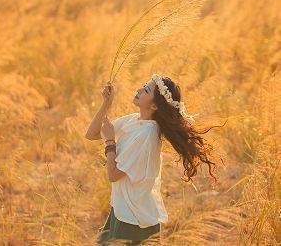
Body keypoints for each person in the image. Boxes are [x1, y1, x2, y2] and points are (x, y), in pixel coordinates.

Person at [84, 74, 223, 245]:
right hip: (122, 209)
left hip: (133, 219)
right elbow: (91, 134)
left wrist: (110, 142)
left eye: (146, 90)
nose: (139, 89)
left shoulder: (146, 135)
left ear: (155, 105)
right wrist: (106, 104)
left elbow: (113, 175)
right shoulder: (133, 119)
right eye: (143, 85)